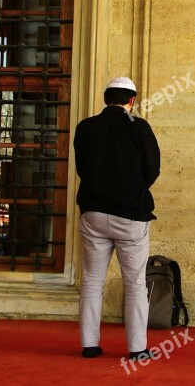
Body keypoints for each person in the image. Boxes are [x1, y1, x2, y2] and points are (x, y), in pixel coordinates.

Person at [73, 76, 160, 360]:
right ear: (131, 101)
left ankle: (89, 345)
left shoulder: (85, 127)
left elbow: (83, 168)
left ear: (105, 99)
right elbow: (152, 169)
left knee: (92, 280)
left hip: (94, 212)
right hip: (131, 215)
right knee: (135, 283)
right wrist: (132, 189)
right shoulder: (139, 128)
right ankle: (137, 349)